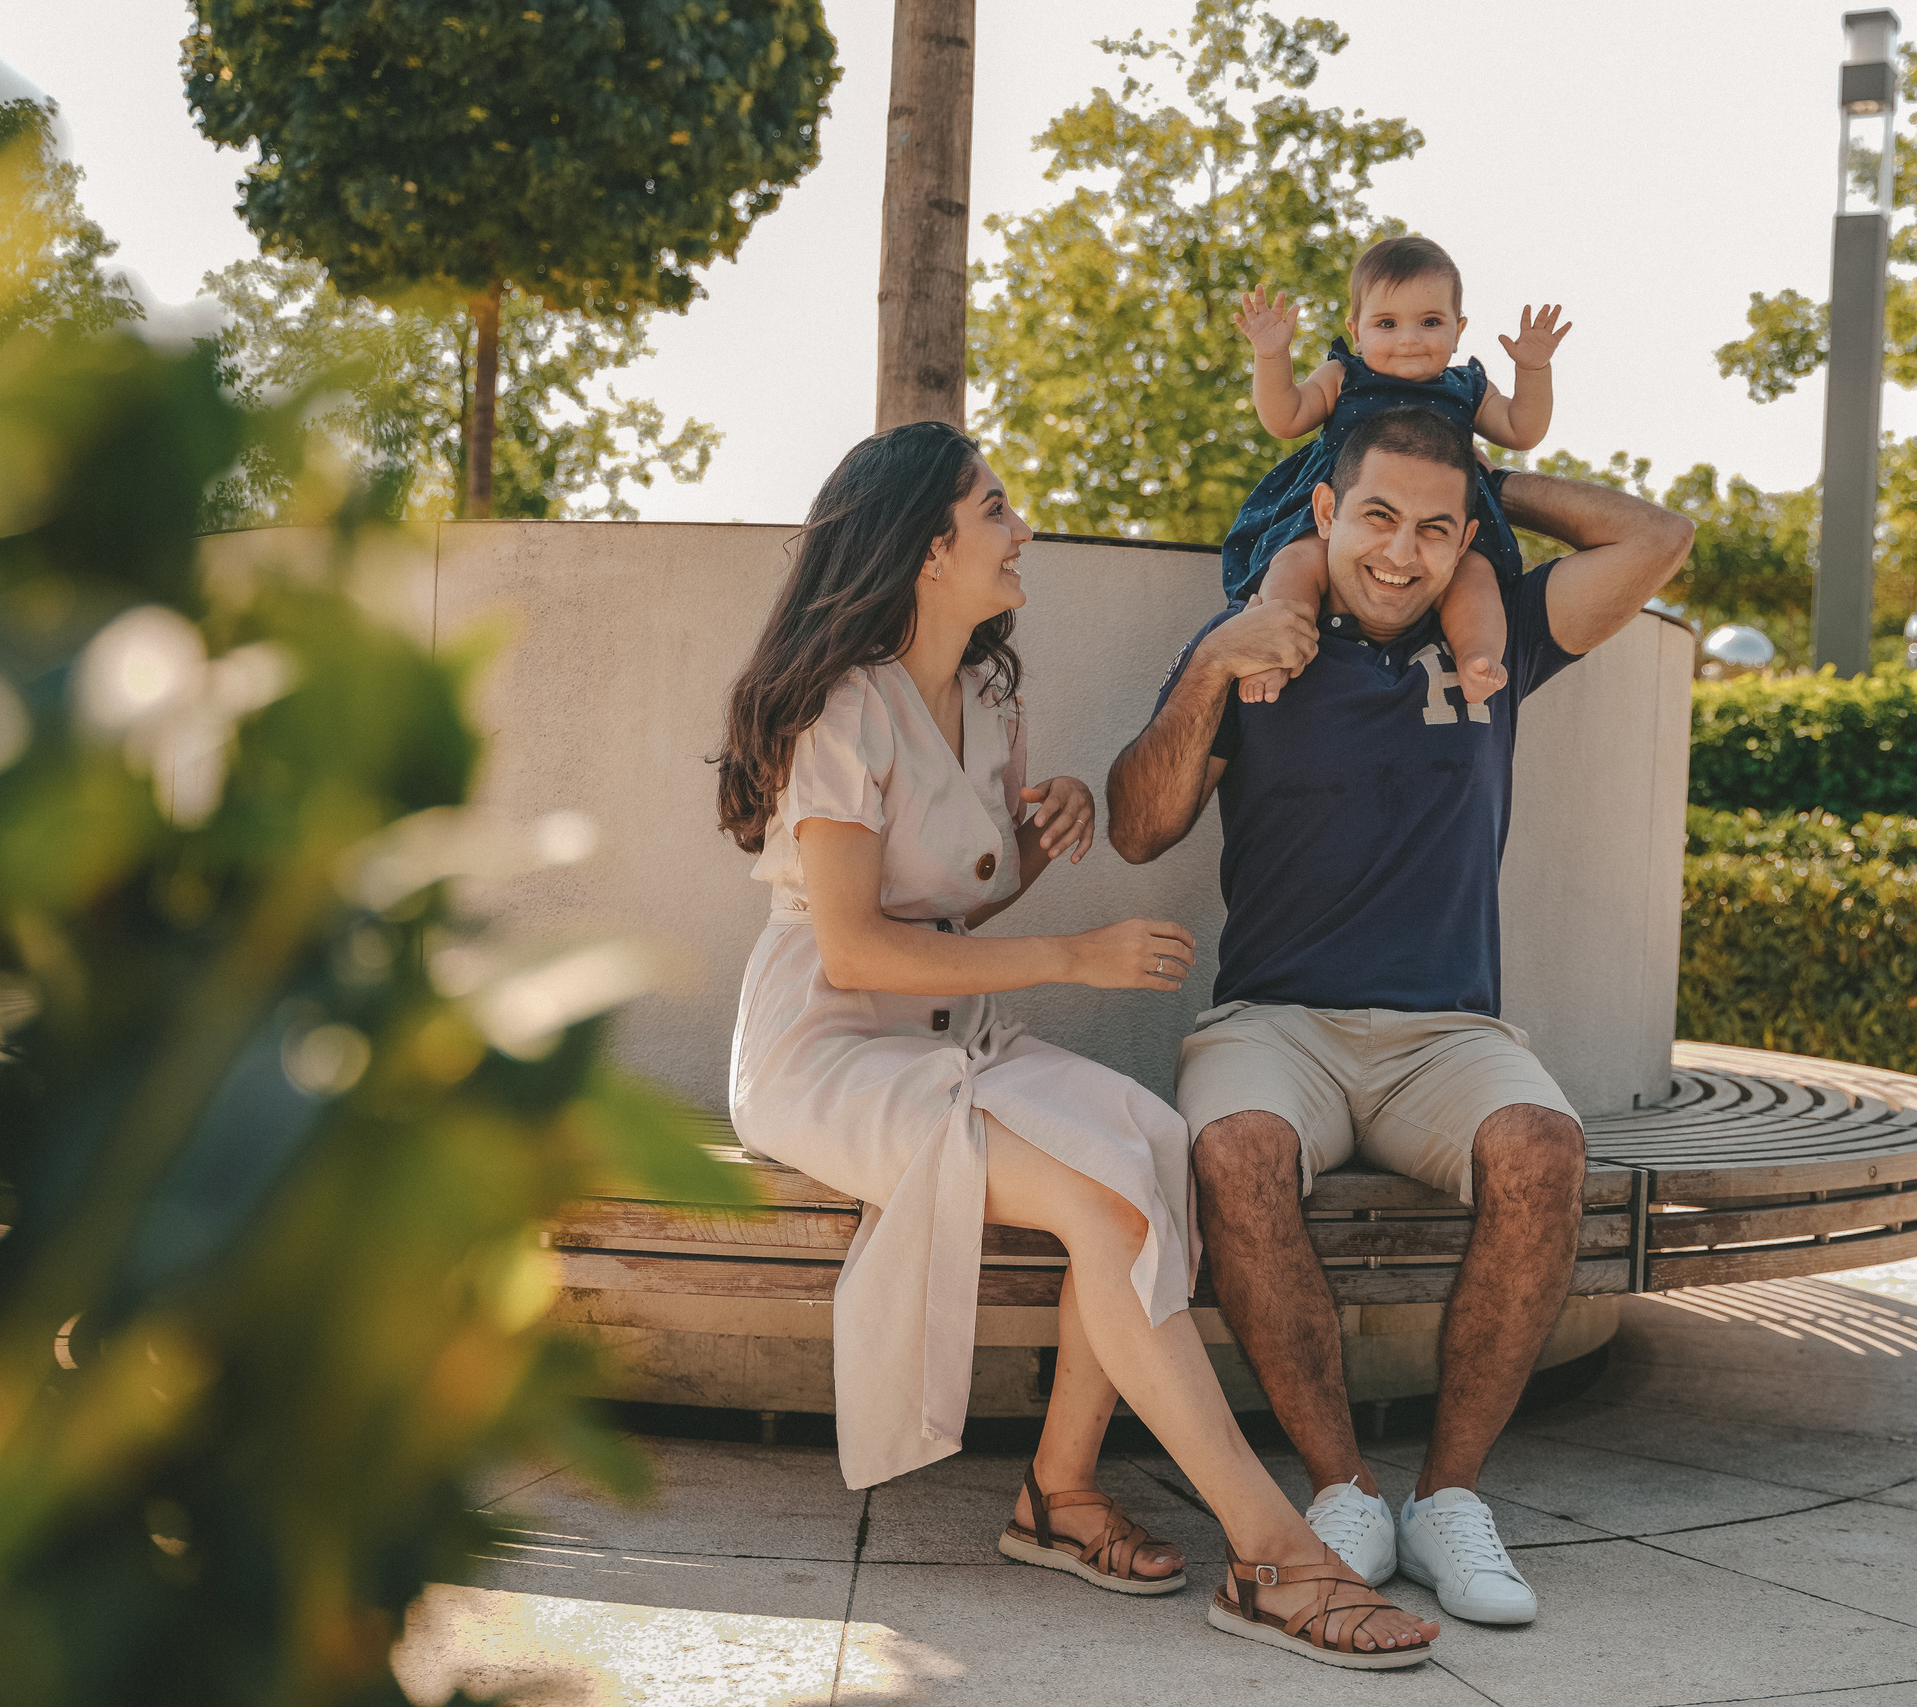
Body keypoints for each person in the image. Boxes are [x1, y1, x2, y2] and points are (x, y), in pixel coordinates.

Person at [715, 421, 1439, 1669]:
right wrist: (1071, 953)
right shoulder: (842, 710)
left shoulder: (988, 692)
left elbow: (959, 902)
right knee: (1105, 1205)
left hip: (946, 1029)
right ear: (927, 548)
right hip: (825, 1049)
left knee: (1154, 1145)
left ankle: (1057, 1495)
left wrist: (1039, 842)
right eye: (995, 509)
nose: (1023, 529)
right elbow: (858, 949)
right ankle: (1272, 1552)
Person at [1104, 405, 1694, 1626]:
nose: (1400, 552)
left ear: (1464, 538)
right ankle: (1344, 1493)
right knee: (1234, 1152)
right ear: (1323, 513)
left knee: (1544, 1149)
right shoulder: (1256, 640)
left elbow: (1657, 538)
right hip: (1273, 1023)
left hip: (1448, 1037)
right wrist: (1213, 666)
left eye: (1434, 528)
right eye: (1375, 515)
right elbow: (1138, 829)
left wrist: (1490, 480)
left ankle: (1449, 1500)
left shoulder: (1500, 637)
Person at [1222, 233, 1572, 707]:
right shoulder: (1343, 376)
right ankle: (1273, 648)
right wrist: (1271, 356)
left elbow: (1521, 429)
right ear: (1356, 330)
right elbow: (1285, 418)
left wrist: (1533, 371)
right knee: (1296, 563)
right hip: (1345, 511)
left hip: (1438, 522)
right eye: (1387, 323)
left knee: (1474, 575)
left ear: (1458, 329)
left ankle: (1478, 657)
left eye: (1430, 322)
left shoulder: (1468, 386)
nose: (1409, 339)